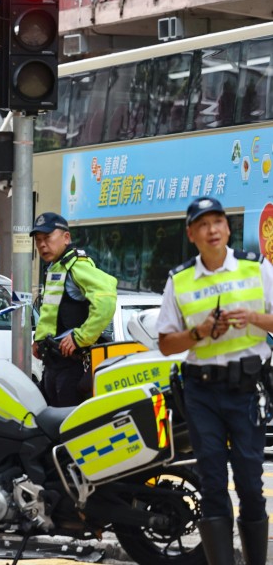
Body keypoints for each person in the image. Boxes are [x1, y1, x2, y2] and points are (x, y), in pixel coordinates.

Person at [157, 197, 272, 565]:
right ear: (191, 234)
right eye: (203, 225)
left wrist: (253, 317)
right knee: (212, 483)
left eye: (218, 222)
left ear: (227, 227)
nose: (212, 230)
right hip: (201, 391)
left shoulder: (257, 268)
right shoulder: (179, 279)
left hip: (247, 389)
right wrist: (200, 332)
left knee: (250, 484)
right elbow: (165, 344)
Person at [31, 212, 117, 406]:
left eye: (47, 237)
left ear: (66, 238)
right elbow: (50, 311)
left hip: (73, 365)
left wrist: (81, 337)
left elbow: (107, 301)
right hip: (53, 363)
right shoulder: (55, 267)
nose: (42, 245)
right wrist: (39, 340)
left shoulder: (77, 265)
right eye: (38, 240)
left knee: (68, 420)